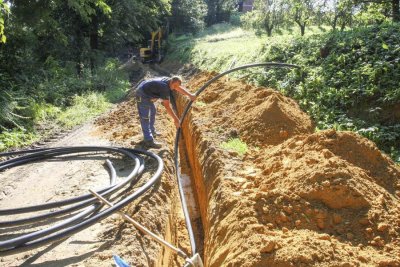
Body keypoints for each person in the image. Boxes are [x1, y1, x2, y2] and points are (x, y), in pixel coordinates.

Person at [135, 76, 196, 148]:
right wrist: (176, 120)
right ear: (171, 81)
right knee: (145, 117)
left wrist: (190, 95)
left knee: (153, 111)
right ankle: (148, 140)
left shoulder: (169, 81)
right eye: (174, 86)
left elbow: (177, 87)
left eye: (177, 86)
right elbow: (167, 106)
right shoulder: (164, 88)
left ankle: (152, 131)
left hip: (147, 90)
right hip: (142, 93)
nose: (175, 88)